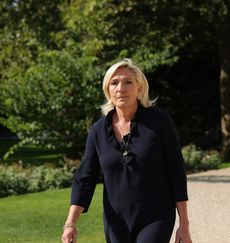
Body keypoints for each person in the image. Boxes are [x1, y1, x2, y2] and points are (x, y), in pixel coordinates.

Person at [61, 59, 192, 243]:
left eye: (128, 82)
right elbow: (85, 178)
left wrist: (184, 225)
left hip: (156, 216)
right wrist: (70, 223)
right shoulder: (98, 130)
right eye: (114, 83)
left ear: (139, 88)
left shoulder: (159, 121)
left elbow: (176, 172)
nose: (120, 88)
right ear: (108, 90)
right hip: (116, 221)